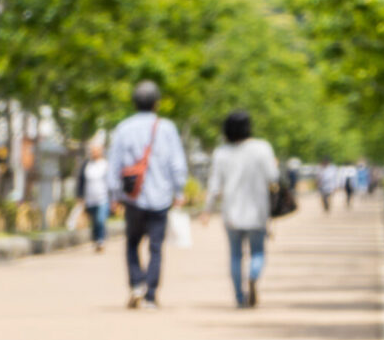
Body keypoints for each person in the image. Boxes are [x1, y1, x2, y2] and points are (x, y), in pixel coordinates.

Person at [107, 81, 188, 310]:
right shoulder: (167, 128)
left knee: (132, 243)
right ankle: (151, 295)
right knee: (155, 246)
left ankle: (136, 283)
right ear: (157, 104)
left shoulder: (123, 128)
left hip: (133, 197)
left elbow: (114, 164)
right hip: (160, 197)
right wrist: (179, 190)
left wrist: (114, 194)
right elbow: (177, 163)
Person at [201, 110, 280, 308]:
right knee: (258, 252)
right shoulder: (262, 148)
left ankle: (239, 296)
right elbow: (274, 177)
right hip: (258, 212)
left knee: (235, 255)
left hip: (232, 214)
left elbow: (214, 185)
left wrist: (207, 210)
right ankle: (253, 276)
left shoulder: (221, 153)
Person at [78, 143, 112, 254]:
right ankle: (96, 239)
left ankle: (101, 240)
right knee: (94, 222)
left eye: (96, 150)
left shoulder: (105, 165)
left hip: (103, 198)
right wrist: (80, 196)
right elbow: (81, 181)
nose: (94, 153)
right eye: (92, 151)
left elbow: (111, 183)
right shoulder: (87, 165)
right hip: (90, 199)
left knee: (100, 219)